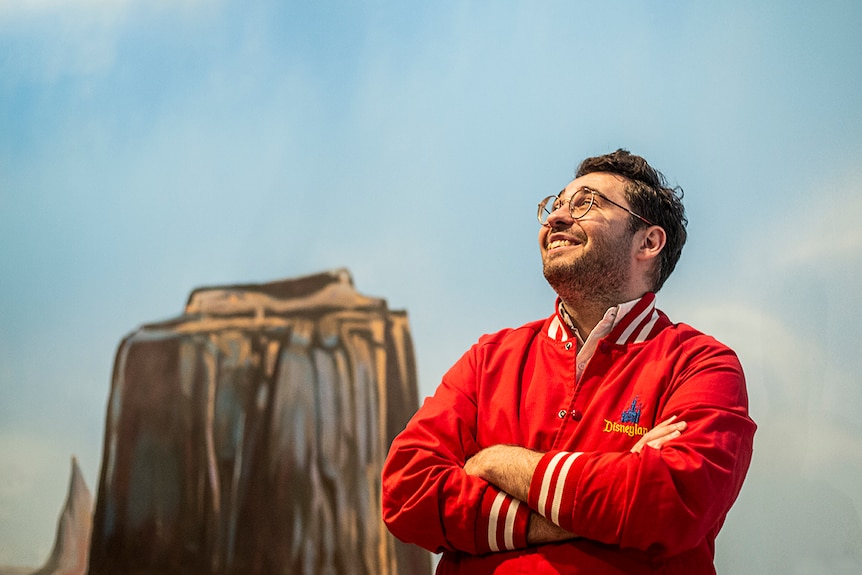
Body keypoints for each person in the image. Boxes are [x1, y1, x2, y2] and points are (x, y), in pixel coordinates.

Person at [380, 149, 756, 574]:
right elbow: (406, 492)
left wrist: (498, 462)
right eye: (556, 204)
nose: (556, 218)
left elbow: (669, 501)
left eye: (586, 203)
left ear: (648, 242)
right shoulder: (490, 360)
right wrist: (590, 505)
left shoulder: (701, 364)